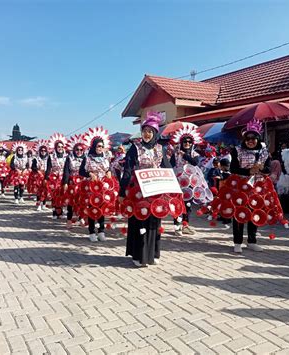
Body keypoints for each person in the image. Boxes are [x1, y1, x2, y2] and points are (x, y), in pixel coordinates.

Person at [120, 112, 171, 267]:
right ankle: (139, 255)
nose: (147, 134)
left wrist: (172, 186)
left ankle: (153, 253)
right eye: (144, 131)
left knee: (154, 220)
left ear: (155, 133)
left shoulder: (160, 149)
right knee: (140, 220)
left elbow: (167, 167)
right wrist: (122, 191)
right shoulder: (135, 148)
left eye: (150, 131)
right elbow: (128, 170)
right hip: (138, 192)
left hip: (156, 192)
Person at [230, 119, 271, 253]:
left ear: (258, 139)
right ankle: (237, 242)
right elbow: (233, 168)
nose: (250, 141)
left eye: (254, 138)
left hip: (257, 186)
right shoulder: (237, 150)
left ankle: (252, 241)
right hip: (241, 186)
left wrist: (262, 169)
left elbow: (269, 169)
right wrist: (248, 171)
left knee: (255, 212)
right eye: (248, 138)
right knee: (240, 213)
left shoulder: (264, 152)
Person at [79, 127, 112, 242]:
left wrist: (109, 172)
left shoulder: (106, 158)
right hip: (91, 188)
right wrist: (89, 173)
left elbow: (110, 168)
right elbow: (81, 171)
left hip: (103, 187)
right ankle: (92, 232)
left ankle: (101, 231)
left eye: (102, 146)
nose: (100, 148)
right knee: (92, 209)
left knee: (102, 208)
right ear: (94, 146)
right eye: (98, 146)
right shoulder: (87, 158)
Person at [169, 123, 202, 236]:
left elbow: (195, 162)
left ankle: (185, 225)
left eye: (189, 142)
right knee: (178, 204)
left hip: (190, 183)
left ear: (192, 143)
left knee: (188, 205)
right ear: (181, 143)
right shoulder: (175, 154)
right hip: (178, 183)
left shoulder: (195, 154)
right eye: (185, 142)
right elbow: (171, 165)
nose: (187, 144)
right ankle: (177, 227)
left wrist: (184, 155)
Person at [62, 134, 87, 228]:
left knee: (82, 201)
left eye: (81, 150)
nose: (79, 151)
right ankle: (69, 220)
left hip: (83, 182)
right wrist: (65, 182)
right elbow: (66, 170)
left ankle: (81, 218)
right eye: (77, 149)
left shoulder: (86, 158)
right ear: (74, 150)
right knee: (71, 201)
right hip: (72, 181)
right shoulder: (69, 158)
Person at [45, 134, 68, 218]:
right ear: (55, 147)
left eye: (62, 146)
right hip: (54, 177)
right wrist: (46, 178)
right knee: (55, 195)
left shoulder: (66, 156)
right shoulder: (51, 156)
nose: (60, 148)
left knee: (63, 195)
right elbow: (48, 168)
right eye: (58, 146)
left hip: (63, 177)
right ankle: (55, 212)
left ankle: (61, 212)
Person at [30, 140, 50, 211]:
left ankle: (44, 204)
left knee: (45, 190)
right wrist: (37, 170)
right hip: (38, 176)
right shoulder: (36, 158)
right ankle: (39, 204)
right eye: (42, 150)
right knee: (39, 191)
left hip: (46, 175)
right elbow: (32, 167)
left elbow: (50, 166)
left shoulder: (48, 158)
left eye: (44, 150)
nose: (43, 152)